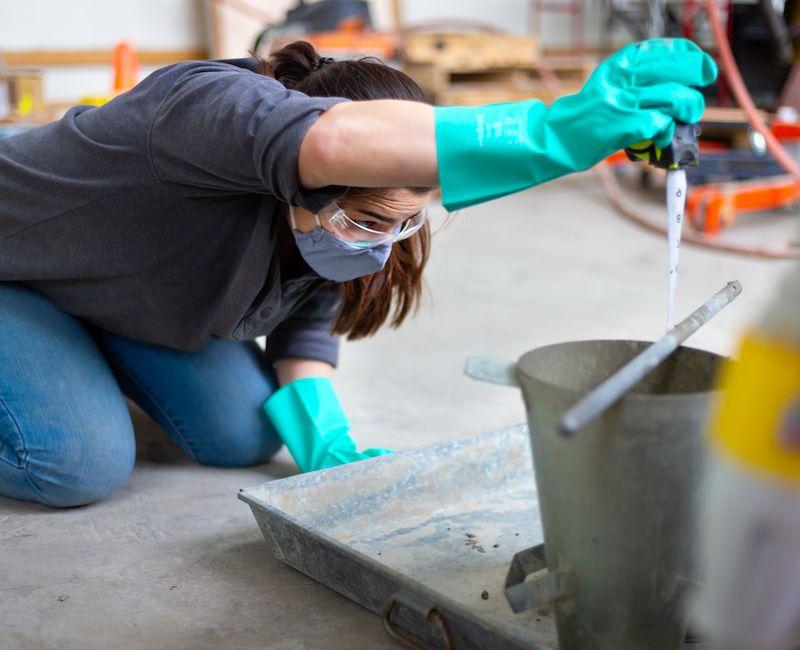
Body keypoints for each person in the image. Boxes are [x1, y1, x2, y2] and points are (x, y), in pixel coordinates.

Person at [0, 38, 716, 507]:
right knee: (75, 463)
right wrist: (550, 133)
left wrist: (329, 442)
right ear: (307, 178)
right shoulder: (204, 110)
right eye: (370, 223)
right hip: (15, 260)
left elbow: (307, 314)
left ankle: (71, 344)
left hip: (108, 286)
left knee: (241, 437)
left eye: (405, 222)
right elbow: (337, 140)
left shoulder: (343, 228)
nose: (384, 247)